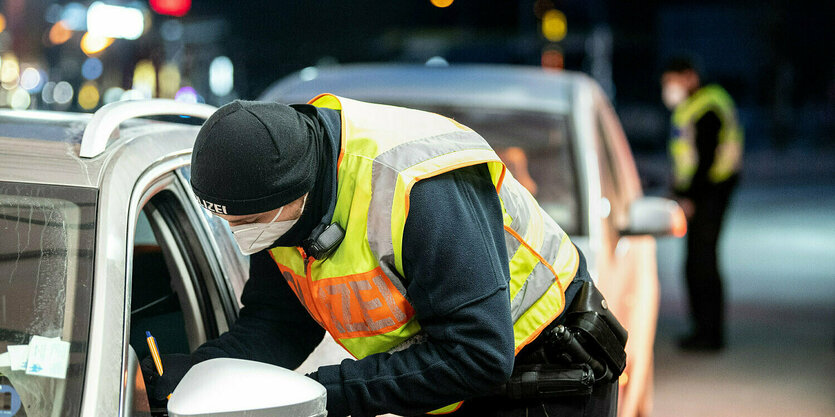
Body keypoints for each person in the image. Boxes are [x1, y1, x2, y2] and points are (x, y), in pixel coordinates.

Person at [141, 95, 625, 416]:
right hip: (450, 384)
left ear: (299, 191)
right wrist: (193, 378)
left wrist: (320, 395)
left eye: (248, 222)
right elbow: (278, 324)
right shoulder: (277, 198)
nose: (242, 234)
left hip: (547, 373)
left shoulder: (418, 186)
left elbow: (478, 355)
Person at [661, 58, 743, 351]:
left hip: (711, 194)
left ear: (690, 77)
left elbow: (706, 159)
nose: (668, 88)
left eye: (672, 80)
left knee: (702, 263)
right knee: (697, 262)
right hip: (703, 193)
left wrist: (691, 197)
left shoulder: (708, 105)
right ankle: (703, 330)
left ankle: (709, 334)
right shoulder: (695, 105)